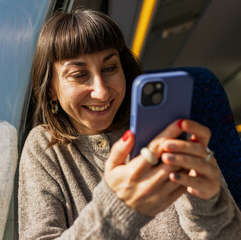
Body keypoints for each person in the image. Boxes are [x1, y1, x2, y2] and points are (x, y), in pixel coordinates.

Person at [18, 9, 241, 239]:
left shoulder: (168, 127)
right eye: (78, 74)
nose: (101, 92)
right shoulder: (44, 148)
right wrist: (116, 210)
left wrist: (209, 206)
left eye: (110, 68)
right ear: (51, 89)